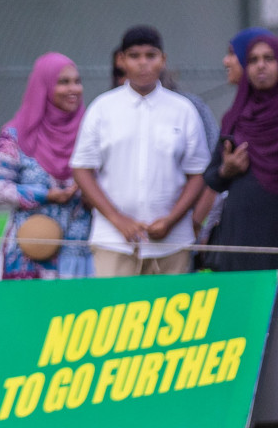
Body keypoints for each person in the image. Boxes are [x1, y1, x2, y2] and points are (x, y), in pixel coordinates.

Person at [204, 33, 278, 344]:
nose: (260, 67)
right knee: (244, 327)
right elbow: (213, 178)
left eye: (268, 59)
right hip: (242, 240)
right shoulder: (237, 114)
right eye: (253, 60)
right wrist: (227, 169)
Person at [71, 25, 208, 277]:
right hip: (113, 241)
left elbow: (198, 172)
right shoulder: (103, 108)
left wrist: (171, 220)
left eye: (151, 55)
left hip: (171, 243)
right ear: (121, 60)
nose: (143, 63)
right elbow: (81, 168)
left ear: (163, 60)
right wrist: (117, 219)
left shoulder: (183, 109)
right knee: (114, 314)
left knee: (170, 315)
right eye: (134, 56)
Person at [0, 52, 92, 279]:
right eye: (63, 82)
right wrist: (45, 195)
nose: (73, 89)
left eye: (77, 81)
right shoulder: (14, 135)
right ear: (43, 86)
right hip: (28, 256)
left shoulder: (91, 132)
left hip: (81, 255)